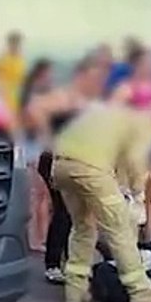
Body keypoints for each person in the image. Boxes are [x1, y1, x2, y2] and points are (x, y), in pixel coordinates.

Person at [49, 104, 151, 302]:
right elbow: (136, 161)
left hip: (61, 166)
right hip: (92, 169)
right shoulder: (139, 123)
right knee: (120, 232)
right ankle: (142, 296)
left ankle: (75, 290)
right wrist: (137, 190)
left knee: (82, 226)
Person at [32, 60, 108, 283]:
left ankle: (69, 262)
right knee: (64, 211)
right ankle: (54, 264)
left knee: (77, 213)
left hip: (74, 161)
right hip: (56, 160)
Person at [111, 48, 151, 242]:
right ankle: (129, 240)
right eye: (146, 64)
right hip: (132, 148)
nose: (150, 67)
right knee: (131, 194)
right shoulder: (126, 88)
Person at [19, 60, 54, 253]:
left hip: (40, 148)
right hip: (32, 149)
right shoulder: (32, 101)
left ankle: (43, 236)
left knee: (43, 196)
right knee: (38, 194)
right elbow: (30, 126)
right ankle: (35, 238)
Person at [0, 31, 28, 113]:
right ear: (9, 43)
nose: (15, 45)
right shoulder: (3, 59)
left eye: (17, 43)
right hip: (3, 93)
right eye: (13, 43)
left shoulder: (21, 60)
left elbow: (23, 79)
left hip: (16, 95)